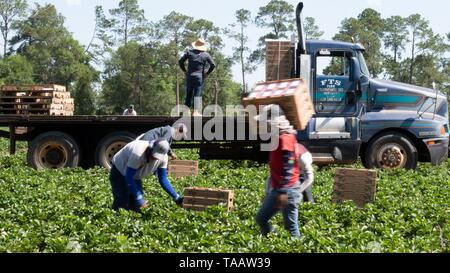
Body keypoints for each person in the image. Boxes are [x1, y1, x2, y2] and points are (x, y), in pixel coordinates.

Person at [255, 104, 303, 237]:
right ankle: (273, 240)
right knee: (261, 218)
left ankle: (297, 247)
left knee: (291, 228)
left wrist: (283, 192)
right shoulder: (281, 136)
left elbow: (289, 165)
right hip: (279, 189)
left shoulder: (284, 138)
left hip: (288, 190)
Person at [109, 139, 183, 212]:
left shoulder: (163, 158)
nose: (154, 158)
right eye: (154, 155)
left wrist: (176, 197)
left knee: (136, 206)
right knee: (122, 202)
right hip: (119, 170)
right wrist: (140, 198)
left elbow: (162, 179)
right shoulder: (138, 153)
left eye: (157, 157)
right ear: (150, 148)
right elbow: (129, 177)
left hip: (136, 175)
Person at [179, 38, 216, 117]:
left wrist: (185, 71)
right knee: (197, 94)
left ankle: (186, 112)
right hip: (199, 77)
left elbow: (180, 61)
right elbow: (213, 65)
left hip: (190, 76)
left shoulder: (189, 52)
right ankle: (195, 112)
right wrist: (207, 73)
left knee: (188, 93)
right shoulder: (206, 55)